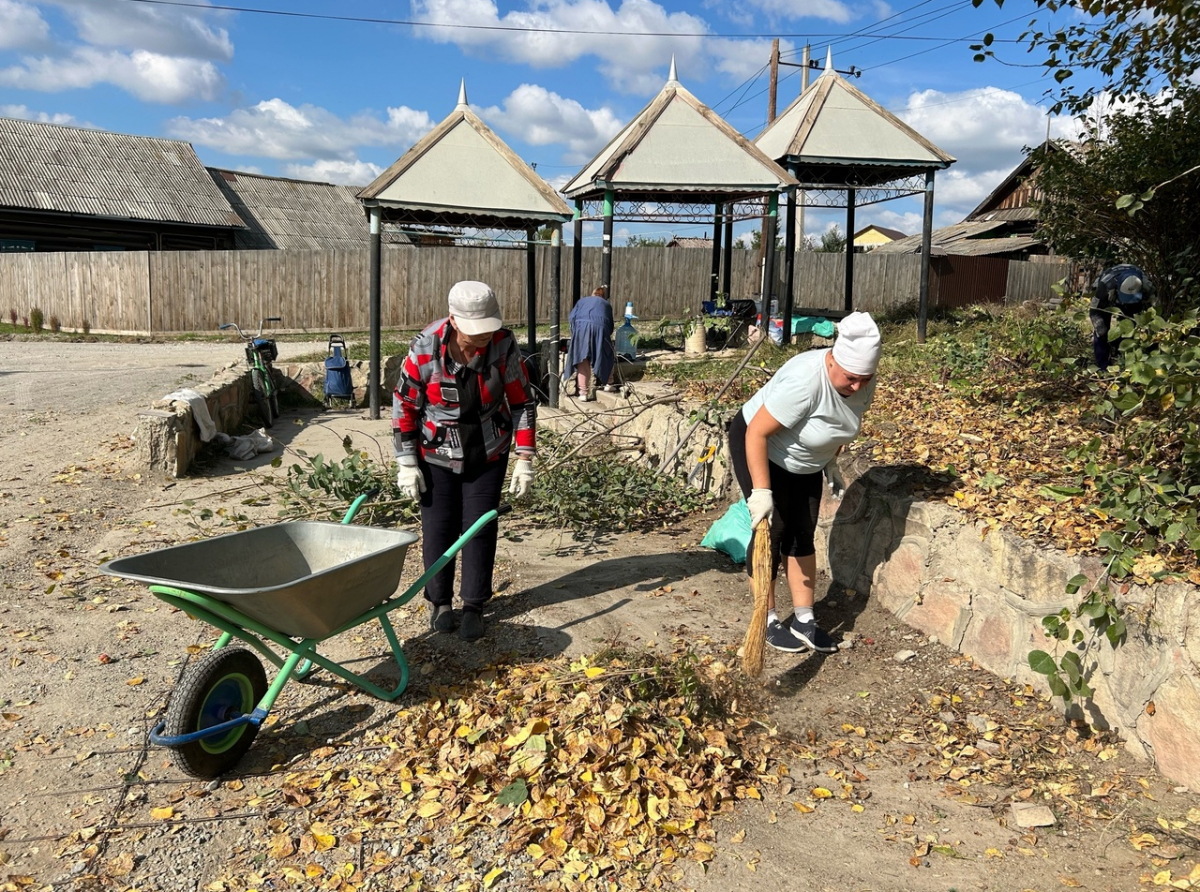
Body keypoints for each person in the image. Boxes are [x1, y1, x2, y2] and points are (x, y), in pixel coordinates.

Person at [727, 311, 880, 654]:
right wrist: (762, 492)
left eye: (865, 379)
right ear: (833, 361)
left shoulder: (862, 381)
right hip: (761, 447)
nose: (858, 386)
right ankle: (764, 620)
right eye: (851, 378)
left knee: (803, 529)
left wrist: (830, 460)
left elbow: (841, 422)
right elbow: (756, 433)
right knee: (773, 530)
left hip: (806, 461)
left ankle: (804, 619)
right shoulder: (806, 381)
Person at [392, 281, 537, 642]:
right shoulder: (425, 348)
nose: (484, 336)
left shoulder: (502, 344)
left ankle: (474, 604)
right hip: (436, 454)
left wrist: (525, 458)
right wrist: (406, 461)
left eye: (489, 327)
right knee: (439, 528)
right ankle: (440, 603)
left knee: (479, 528)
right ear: (454, 321)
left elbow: (522, 402)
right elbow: (405, 406)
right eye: (477, 331)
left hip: (489, 449)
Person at [1090, 263, 1154, 370]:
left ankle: (1129, 363)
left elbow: (1155, 309)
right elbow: (1095, 311)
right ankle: (1103, 367)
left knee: (1132, 329)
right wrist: (1101, 329)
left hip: (1136, 301)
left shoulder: (1147, 285)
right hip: (1107, 299)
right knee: (1101, 331)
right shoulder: (1104, 286)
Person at [567, 285, 615, 401]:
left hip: (581, 327)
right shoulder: (607, 305)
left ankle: (583, 393)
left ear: (592, 294)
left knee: (582, 360)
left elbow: (572, 317)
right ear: (603, 297)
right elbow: (610, 326)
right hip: (600, 328)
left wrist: (575, 334)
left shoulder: (582, 301)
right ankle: (608, 383)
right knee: (606, 354)